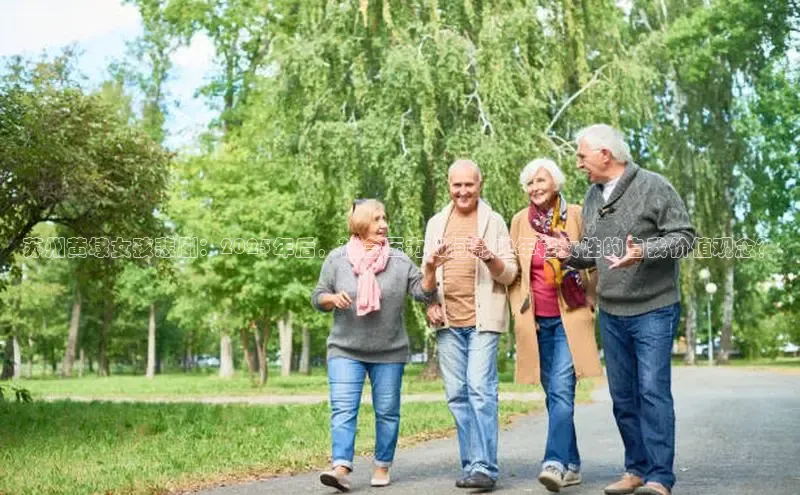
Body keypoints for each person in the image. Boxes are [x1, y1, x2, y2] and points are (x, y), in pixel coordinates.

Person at [544, 124, 696, 495]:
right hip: (612, 313)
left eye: (582, 156)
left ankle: (661, 476)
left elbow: (685, 238)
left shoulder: (654, 186)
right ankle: (637, 469)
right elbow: (594, 253)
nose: (579, 164)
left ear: (604, 155)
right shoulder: (594, 196)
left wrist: (643, 251)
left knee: (652, 391)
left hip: (654, 309)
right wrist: (570, 254)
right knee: (623, 395)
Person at [311, 199, 449, 492]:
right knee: (343, 409)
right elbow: (318, 296)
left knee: (387, 410)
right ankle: (341, 468)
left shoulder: (398, 262)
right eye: (376, 219)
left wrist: (429, 270)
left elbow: (423, 294)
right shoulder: (337, 259)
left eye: (384, 218)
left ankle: (382, 464)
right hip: (345, 349)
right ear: (360, 225)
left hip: (389, 351)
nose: (384, 224)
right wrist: (332, 299)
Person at [507, 158, 603, 492]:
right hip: (536, 321)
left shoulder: (576, 214)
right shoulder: (520, 221)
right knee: (554, 396)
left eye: (541, 180)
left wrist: (591, 298)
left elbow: (595, 256)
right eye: (530, 183)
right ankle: (573, 462)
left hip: (570, 315)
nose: (535, 188)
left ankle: (554, 462)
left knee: (562, 390)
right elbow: (514, 270)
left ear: (556, 183)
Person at [424, 159, 519, 491]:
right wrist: (430, 304)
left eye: (469, 185)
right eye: (456, 185)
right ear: (449, 185)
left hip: (483, 320)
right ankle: (472, 465)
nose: (463, 191)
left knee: (480, 390)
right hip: (448, 321)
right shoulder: (436, 223)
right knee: (457, 395)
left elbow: (510, 273)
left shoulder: (493, 222)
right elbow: (427, 275)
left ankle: (485, 467)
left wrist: (489, 257)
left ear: (480, 185)